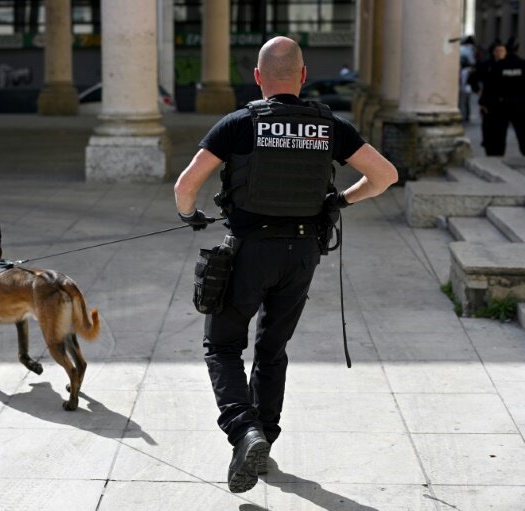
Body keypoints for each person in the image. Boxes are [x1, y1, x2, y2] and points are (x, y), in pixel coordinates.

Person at [174, 36, 398, 494]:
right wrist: (340, 200)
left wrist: (190, 215)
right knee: (272, 348)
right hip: (302, 253)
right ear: (303, 75)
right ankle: (265, 438)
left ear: (257, 77)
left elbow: (185, 186)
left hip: (248, 252)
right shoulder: (330, 126)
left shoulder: (239, 123)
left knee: (222, 347)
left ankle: (244, 432)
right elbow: (385, 176)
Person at [476, 38, 525, 156]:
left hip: (501, 105)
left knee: (499, 135)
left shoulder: (497, 65)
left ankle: (498, 154)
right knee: (523, 134)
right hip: (520, 104)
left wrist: (483, 102)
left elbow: (490, 87)